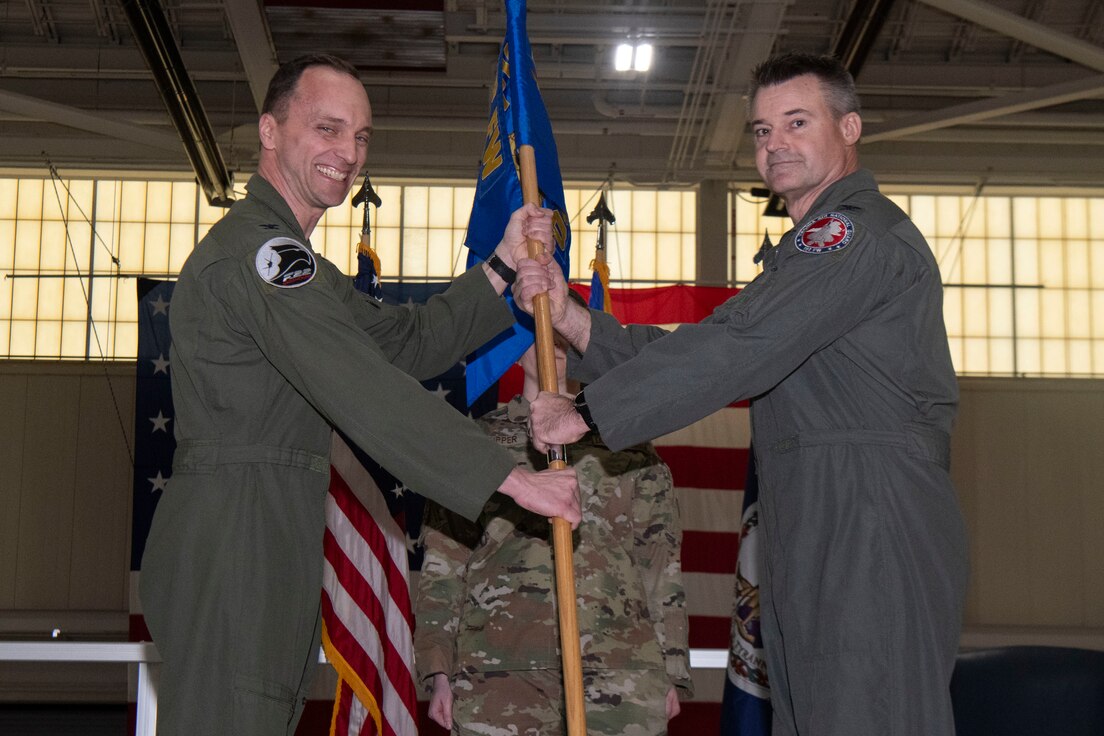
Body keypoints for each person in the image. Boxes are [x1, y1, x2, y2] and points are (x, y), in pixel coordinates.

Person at [514, 52, 969, 736]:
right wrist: (576, 323)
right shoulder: (811, 253)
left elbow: (738, 347)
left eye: (795, 122)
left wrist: (583, 413)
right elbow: (719, 343)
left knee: (866, 715)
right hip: (817, 510)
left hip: (867, 511)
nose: (774, 143)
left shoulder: (854, 237)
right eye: (761, 130)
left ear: (849, 128)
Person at [139, 53, 580, 736]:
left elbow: (404, 343)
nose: (348, 153)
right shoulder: (260, 257)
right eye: (327, 129)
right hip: (237, 534)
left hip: (268, 528)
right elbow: (362, 385)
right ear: (270, 130)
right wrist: (512, 479)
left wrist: (500, 265)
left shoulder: (297, 262)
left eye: (361, 136)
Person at [414, 337, 693, 735]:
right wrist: (438, 669)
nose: (553, 342)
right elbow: (445, 566)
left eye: (565, 332)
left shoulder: (629, 449)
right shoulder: (474, 444)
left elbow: (660, 565)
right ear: (518, 346)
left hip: (619, 670)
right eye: (540, 330)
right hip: (498, 672)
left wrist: (670, 667)